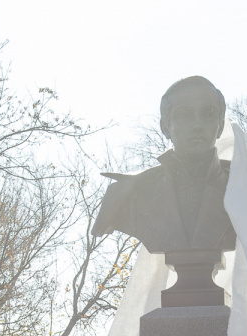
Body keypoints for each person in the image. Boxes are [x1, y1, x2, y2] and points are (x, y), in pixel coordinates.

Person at [91, 75, 236, 254]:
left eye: (208, 114)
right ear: (165, 127)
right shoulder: (130, 196)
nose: (197, 124)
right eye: (184, 115)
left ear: (221, 125)